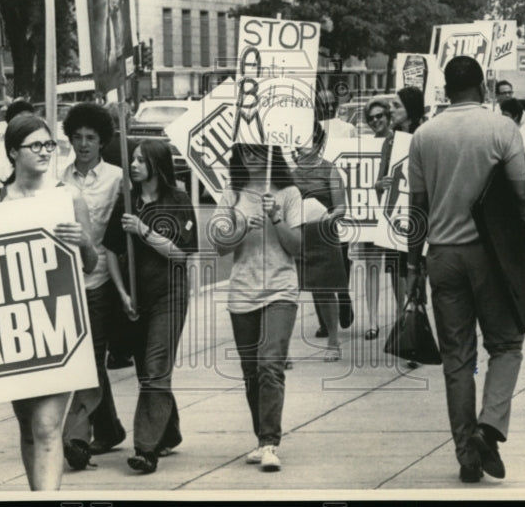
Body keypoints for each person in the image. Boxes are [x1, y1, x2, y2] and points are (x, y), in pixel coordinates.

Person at [406, 56, 525, 483]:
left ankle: (467, 455)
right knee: (506, 345)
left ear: (447, 88)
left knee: (458, 360)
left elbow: (416, 208)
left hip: (443, 256)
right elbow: (524, 198)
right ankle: (488, 427)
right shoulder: (501, 129)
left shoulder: (423, 135)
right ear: (484, 87)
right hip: (491, 257)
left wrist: (413, 266)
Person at [0, 114, 98, 490]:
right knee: (29, 427)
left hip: (58, 323)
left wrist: (81, 241)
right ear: (13, 152)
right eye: (35, 145)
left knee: (48, 425)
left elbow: (91, 262)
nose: (44, 152)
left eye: (49, 144)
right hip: (16, 325)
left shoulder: (68, 197)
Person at [102, 140, 198, 474]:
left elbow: (181, 254)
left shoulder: (178, 201)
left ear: (157, 164)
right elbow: (112, 250)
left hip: (168, 296)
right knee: (147, 373)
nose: (135, 164)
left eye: (142, 159)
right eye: (133, 159)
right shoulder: (126, 201)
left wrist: (143, 230)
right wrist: (122, 294)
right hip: (135, 298)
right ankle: (168, 432)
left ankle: (146, 449)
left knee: (156, 370)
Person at [211, 144, 303, 472]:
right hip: (242, 291)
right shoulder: (231, 196)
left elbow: (296, 246)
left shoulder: (289, 193)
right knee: (251, 372)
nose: (251, 160)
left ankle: (269, 442)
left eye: (258, 153)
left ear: (271, 155)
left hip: (281, 289)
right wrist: (239, 229)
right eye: (245, 154)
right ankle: (261, 437)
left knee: (270, 364)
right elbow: (220, 247)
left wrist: (276, 218)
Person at [58, 103, 129, 470]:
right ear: (69, 139)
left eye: (91, 138)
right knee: (86, 360)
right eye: (78, 137)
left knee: (90, 359)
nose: (84, 144)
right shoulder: (56, 178)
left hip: (101, 280)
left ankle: (74, 437)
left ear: (102, 142)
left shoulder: (119, 179)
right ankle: (111, 427)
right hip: (62, 282)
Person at [290, 121, 350, 361]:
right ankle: (281, 349)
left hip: (323, 236)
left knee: (325, 291)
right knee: (288, 293)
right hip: (297, 235)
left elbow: (342, 207)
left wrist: (329, 215)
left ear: (317, 143)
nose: (300, 147)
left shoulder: (330, 170)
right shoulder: (289, 174)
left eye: (305, 141)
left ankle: (333, 342)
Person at [354, 98, 406, 341]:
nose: (375, 121)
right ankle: (373, 322)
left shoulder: (402, 141)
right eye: (371, 118)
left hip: (396, 213)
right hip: (373, 215)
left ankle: (401, 317)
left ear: (388, 116)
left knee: (397, 270)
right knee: (372, 267)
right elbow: (358, 182)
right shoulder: (365, 146)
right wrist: (374, 185)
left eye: (379, 116)